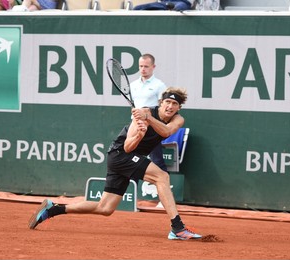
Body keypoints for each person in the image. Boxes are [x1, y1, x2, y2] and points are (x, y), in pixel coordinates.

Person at [28, 87, 202, 240]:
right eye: (167, 102)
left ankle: (53, 209)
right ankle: (177, 228)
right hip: (121, 155)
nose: (170, 106)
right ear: (161, 103)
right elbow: (127, 147)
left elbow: (166, 132)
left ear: (179, 107)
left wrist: (148, 119)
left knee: (105, 208)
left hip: (129, 158)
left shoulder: (176, 119)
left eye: (174, 104)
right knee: (162, 176)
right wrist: (139, 135)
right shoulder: (141, 115)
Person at [130, 54, 167, 172]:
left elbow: (162, 108)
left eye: (146, 66)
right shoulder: (133, 85)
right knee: (133, 159)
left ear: (153, 67)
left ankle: (165, 187)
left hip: (152, 127)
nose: (143, 69)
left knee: (157, 160)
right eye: (140, 66)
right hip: (136, 126)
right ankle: (131, 188)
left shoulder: (159, 85)